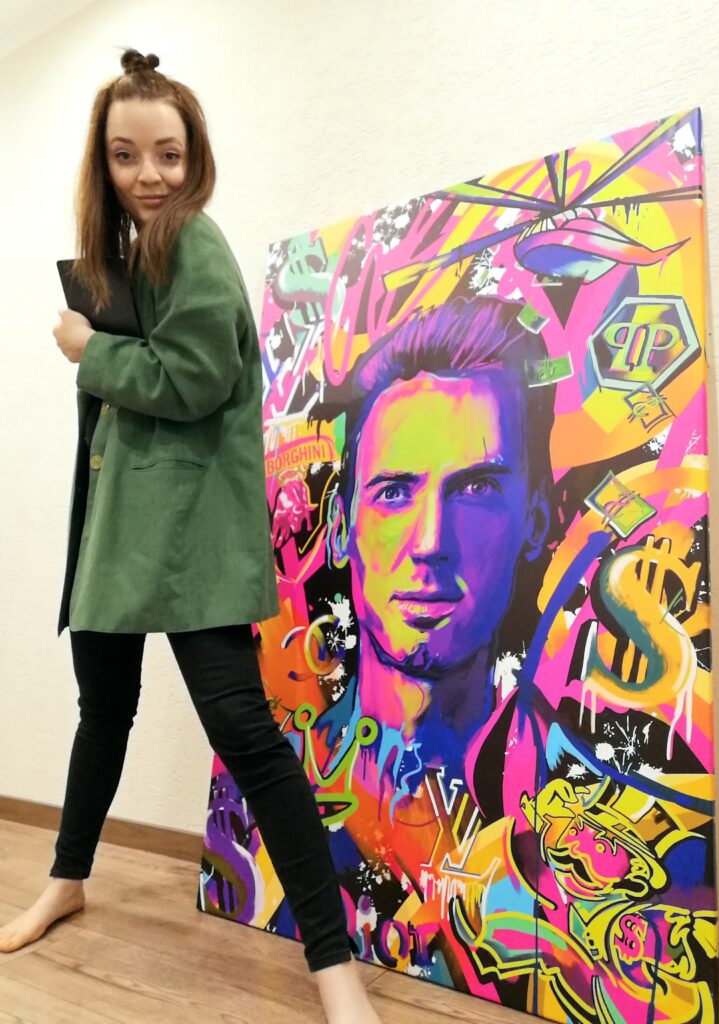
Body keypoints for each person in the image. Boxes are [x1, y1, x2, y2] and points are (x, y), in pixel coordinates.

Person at [0, 49, 380, 1024]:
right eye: (126, 155)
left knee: (246, 734)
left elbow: (196, 380)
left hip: (184, 536)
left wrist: (89, 350)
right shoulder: (131, 253)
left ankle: (334, 968)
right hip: (118, 531)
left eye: (167, 153)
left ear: (194, 156)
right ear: (103, 162)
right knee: (102, 713)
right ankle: (66, 879)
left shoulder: (192, 242)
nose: (149, 175)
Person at [324, 296, 553, 784]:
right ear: (341, 528)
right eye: (393, 493)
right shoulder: (286, 763)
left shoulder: (572, 800)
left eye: (476, 489)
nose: (430, 543)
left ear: (535, 521)